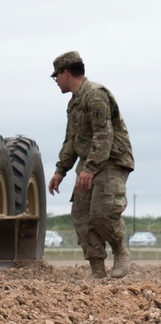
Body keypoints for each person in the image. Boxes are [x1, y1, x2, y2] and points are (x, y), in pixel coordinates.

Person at [48, 51, 135, 280]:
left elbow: (103, 135)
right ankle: (97, 269)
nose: (56, 80)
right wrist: (60, 171)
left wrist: (90, 168)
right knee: (81, 215)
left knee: (102, 212)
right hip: (90, 163)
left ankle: (120, 251)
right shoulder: (74, 103)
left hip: (111, 161)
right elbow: (72, 140)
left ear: (66, 73)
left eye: (56, 75)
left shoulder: (95, 96)